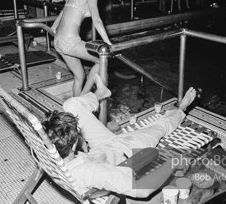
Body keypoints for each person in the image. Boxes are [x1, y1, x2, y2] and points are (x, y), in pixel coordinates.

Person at [43, 74, 197, 198]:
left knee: (71, 106)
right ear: (74, 141)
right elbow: (141, 190)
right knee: (158, 128)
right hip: (124, 149)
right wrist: (174, 163)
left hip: (99, 147)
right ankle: (181, 108)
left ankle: (100, 93)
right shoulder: (91, 173)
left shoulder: (49, 153)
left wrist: (82, 146)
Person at [51, 0, 113, 97]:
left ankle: (74, 109)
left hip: (57, 41)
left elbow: (63, 13)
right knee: (101, 60)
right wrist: (108, 43)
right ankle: (83, 99)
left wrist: (52, 28)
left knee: (79, 75)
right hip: (70, 41)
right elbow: (97, 21)